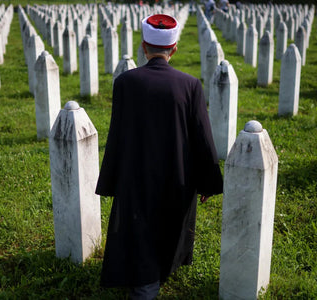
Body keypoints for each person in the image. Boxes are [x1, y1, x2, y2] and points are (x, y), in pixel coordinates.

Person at [96, 14, 223, 300]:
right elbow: (202, 136)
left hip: (135, 172)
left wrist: (112, 180)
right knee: (167, 225)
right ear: (174, 48)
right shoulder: (190, 85)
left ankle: (144, 281)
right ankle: (150, 281)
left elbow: (117, 133)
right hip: (175, 173)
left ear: (143, 46)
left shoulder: (125, 82)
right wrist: (208, 182)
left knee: (138, 224)